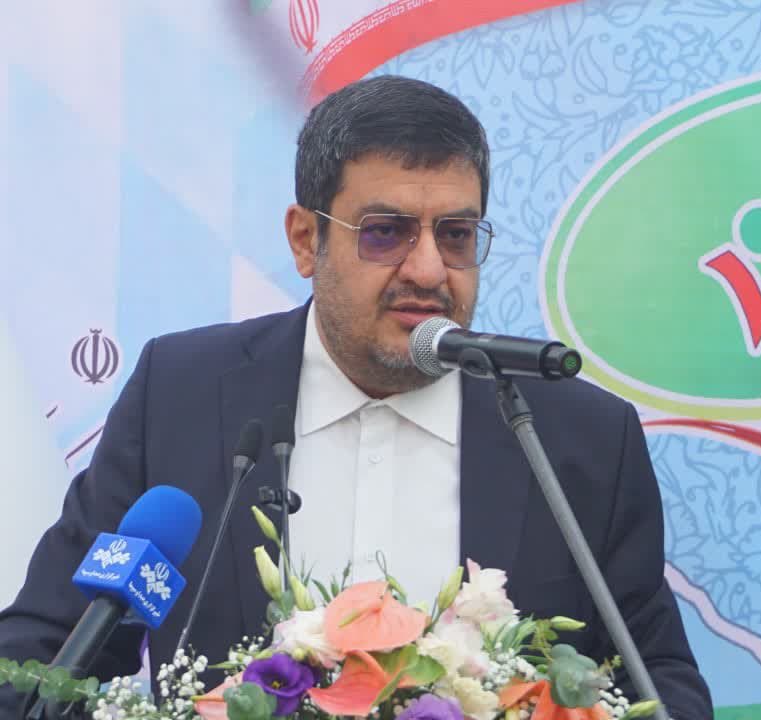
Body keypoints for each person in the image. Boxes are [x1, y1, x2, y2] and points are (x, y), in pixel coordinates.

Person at [0, 75, 712, 718]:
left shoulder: (579, 438)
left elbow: (659, 687)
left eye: (456, 235)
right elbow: (40, 659)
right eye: (385, 233)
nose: (428, 269)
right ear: (305, 240)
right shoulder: (181, 397)